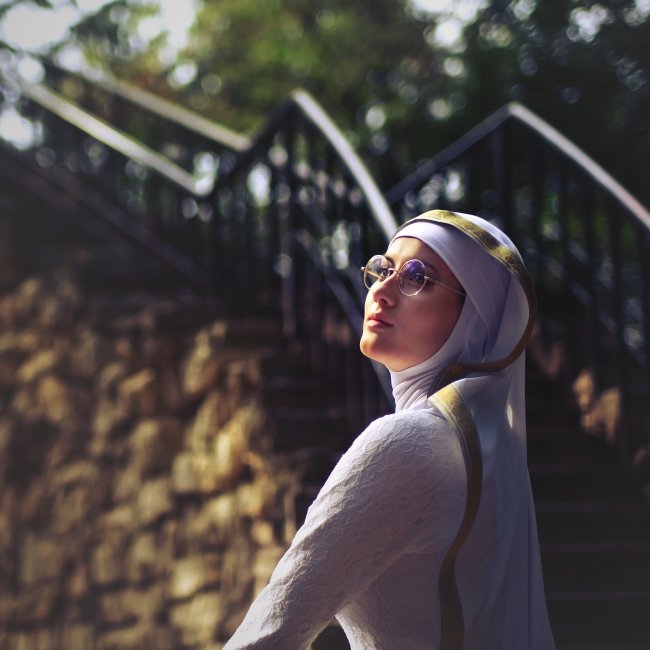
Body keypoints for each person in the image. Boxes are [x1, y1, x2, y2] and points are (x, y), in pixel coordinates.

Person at [224, 210, 555, 649]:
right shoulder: (490, 448)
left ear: (474, 318)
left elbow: (271, 633)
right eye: (383, 269)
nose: (381, 290)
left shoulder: (407, 446)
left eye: (418, 278)